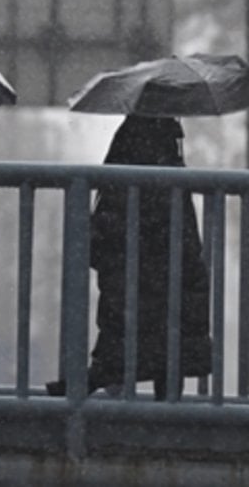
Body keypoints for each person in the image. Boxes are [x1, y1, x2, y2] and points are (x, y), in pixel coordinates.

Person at [47, 115, 213, 400]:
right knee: (171, 343)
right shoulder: (172, 160)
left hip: (134, 268)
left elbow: (109, 219)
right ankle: (168, 414)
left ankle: (89, 385)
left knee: (128, 334)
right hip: (168, 269)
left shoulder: (130, 147)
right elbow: (184, 233)